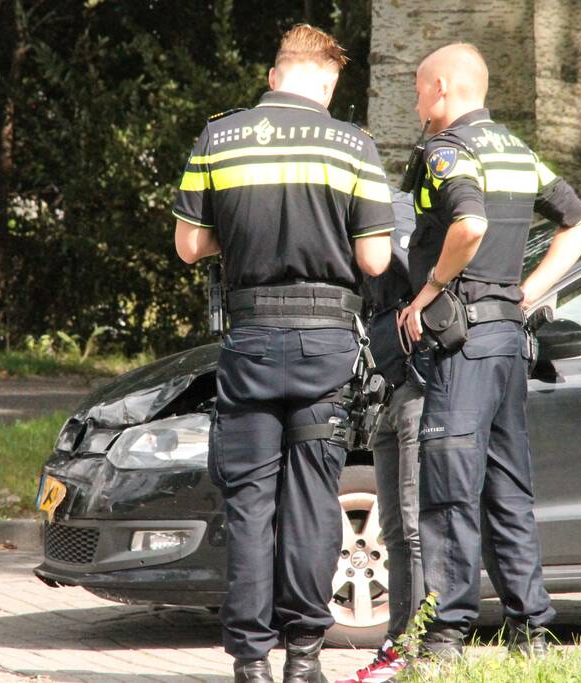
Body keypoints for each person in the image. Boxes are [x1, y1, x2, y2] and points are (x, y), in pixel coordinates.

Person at [173, 24, 394, 683]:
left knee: (248, 500)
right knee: (310, 498)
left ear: (274, 76)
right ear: (326, 85)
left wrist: (237, 242)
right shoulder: (353, 143)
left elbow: (189, 246)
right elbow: (374, 258)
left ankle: (249, 662)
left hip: (249, 343)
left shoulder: (220, 136)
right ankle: (303, 658)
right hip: (326, 343)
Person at [396, 43, 581, 658]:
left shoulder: (446, 150)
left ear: (441, 88)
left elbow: (470, 223)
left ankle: (446, 635)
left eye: (417, 89)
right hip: (508, 338)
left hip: (463, 342)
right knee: (508, 487)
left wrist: (429, 291)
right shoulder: (516, 151)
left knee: (451, 484)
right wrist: (526, 295)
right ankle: (530, 630)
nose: (416, 101)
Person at [337, 190, 425, 683]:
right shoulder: (350, 219)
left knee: (412, 526)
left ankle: (417, 647)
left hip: (418, 385)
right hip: (388, 387)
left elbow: (430, 277)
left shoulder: (394, 212)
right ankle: (398, 645)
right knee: (394, 528)